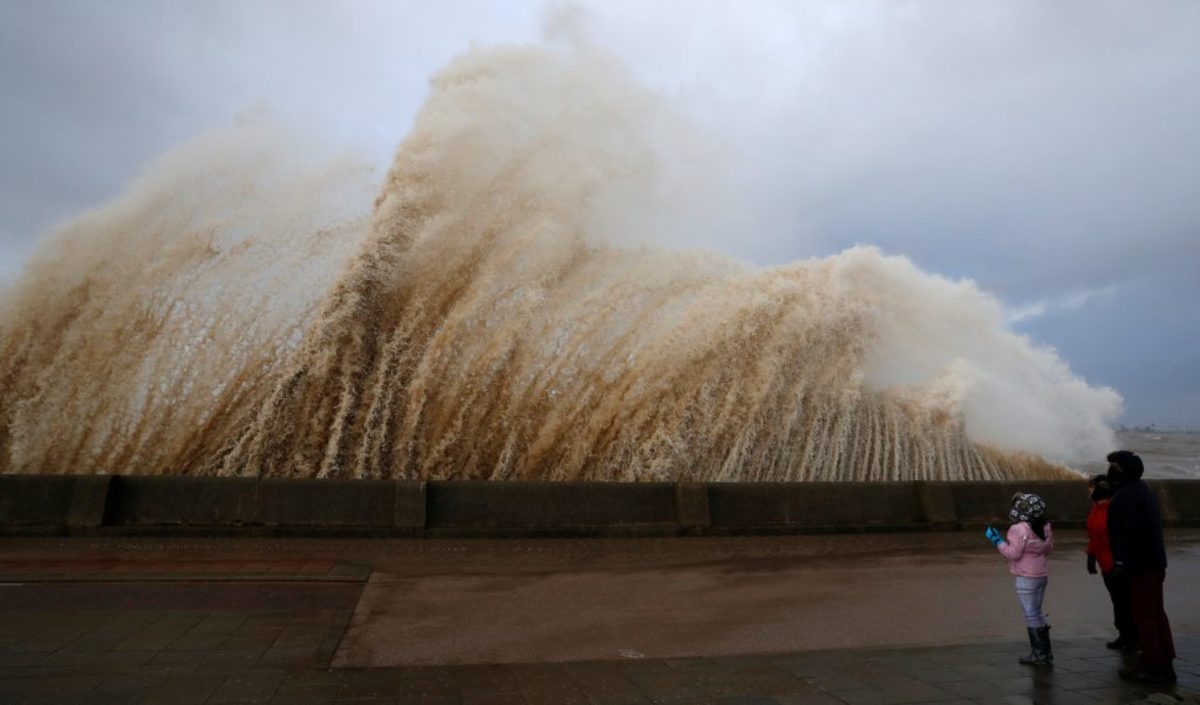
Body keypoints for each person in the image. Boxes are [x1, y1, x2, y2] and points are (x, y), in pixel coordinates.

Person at [1107, 450, 1176, 684]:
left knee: (1144, 617)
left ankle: (1151, 666)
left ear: (1122, 470)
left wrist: (1120, 563)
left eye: (1114, 466)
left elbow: (1127, 533)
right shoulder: (1144, 490)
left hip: (1140, 566)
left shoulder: (1124, 496)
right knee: (1157, 613)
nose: (1110, 470)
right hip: (1155, 563)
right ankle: (1165, 661)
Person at [985, 492, 1054, 666]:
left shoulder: (1018, 529)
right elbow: (1048, 549)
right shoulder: (1045, 526)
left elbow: (1013, 554)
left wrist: (997, 541)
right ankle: (1046, 652)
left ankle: (1039, 654)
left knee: (1031, 614)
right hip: (1041, 574)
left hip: (1025, 576)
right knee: (1038, 611)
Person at [1085, 475, 1138, 651]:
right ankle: (1124, 635)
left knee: (1125, 601)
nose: (1089, 490)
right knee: (1118, 601)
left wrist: (1120, 562)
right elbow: (1094, 536)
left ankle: (1133, 638)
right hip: (1105, 564)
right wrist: (1091, 556)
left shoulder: (1113, 510)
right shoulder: (1096, 508)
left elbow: (1122, 538)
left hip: (1118, 564)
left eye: (1092, 488)